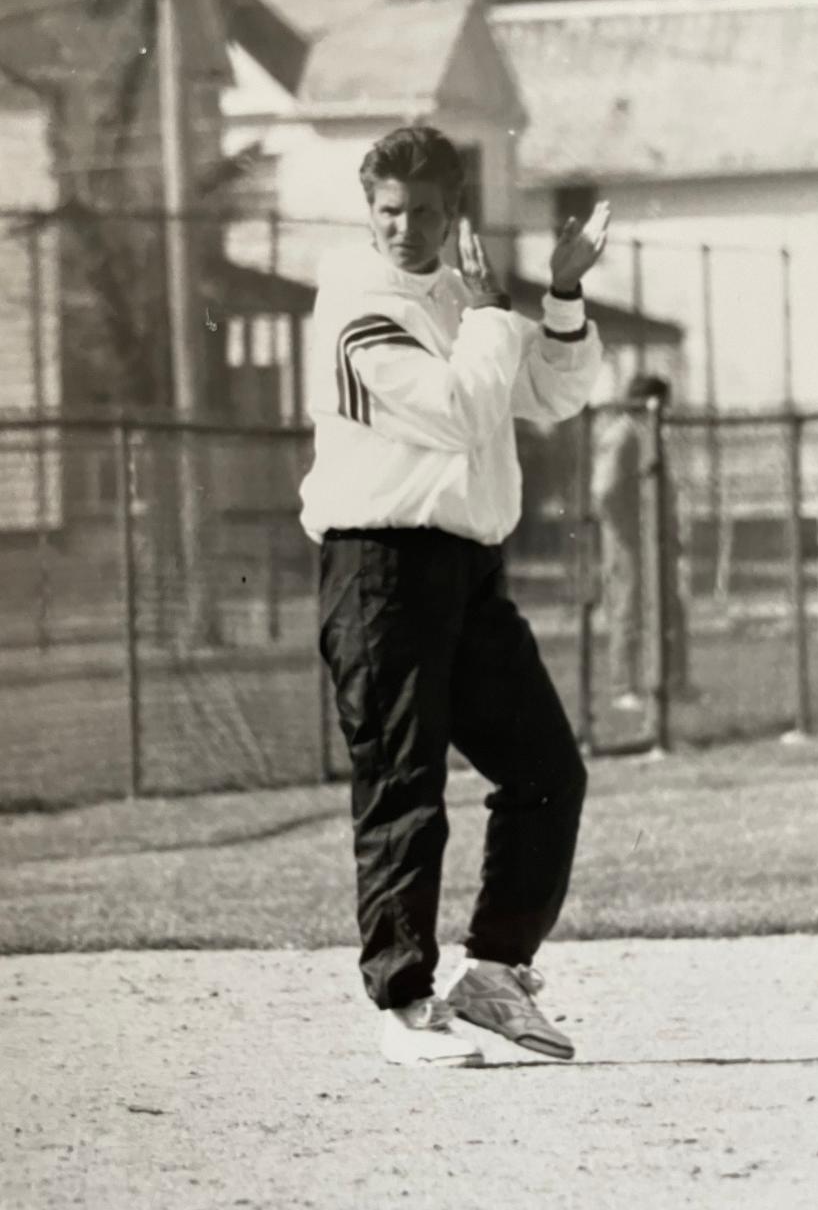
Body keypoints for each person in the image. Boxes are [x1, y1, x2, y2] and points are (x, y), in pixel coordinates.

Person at [299, 126, 610, 1067]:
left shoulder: (458, 292)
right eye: (388, 211)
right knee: (407, 788)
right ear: (368, 212)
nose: (404, 228)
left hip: (467, 572)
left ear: (452, 210)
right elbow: (461, 411)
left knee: (547, 769)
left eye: (425, 211)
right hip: (379, 570)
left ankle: (495, 974)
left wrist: (558, 296)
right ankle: (401, 1007)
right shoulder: (354, 304)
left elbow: (554, 394)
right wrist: (488, 314)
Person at [592, 373, 689, 715]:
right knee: (628, 608)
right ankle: (624, 687)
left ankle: (671, 683)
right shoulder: (622, 435)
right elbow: (605, 491)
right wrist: (628, 532)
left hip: (655, 539)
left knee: (668, 606)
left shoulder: (649, 434)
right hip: (630, 542)